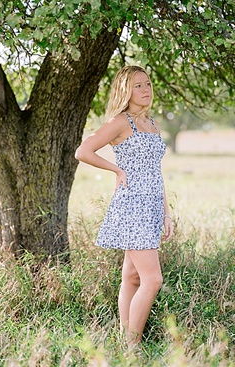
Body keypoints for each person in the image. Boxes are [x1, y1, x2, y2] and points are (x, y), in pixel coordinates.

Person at [75, 65, 174, 345]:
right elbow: (83, 151)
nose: (145, 90)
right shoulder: (121, 122)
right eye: (138, 86)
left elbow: (156, 172)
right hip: (133, 206)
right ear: (125, 91)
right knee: (152, 280)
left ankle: (123, 342)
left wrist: (167, 213)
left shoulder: (152, 124)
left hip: (153, 205)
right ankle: (132, 346)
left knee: (132, 277)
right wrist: (117, 170)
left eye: (147, 84)